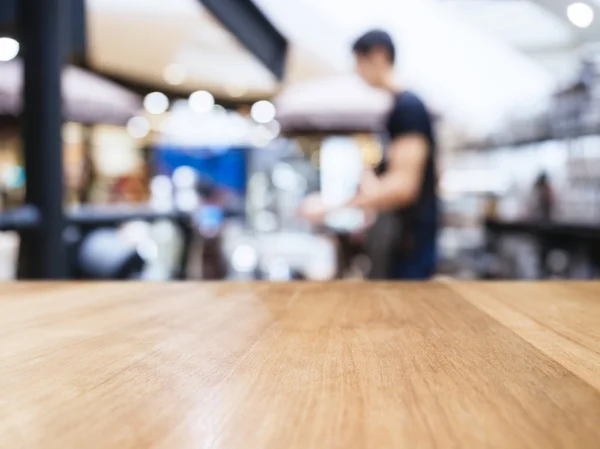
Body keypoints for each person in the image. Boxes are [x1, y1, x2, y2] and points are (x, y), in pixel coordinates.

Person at [300, 30, 438, 279]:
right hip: (402, 241)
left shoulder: (408, 108)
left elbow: (403, 187)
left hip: (408, 244)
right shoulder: (399, 109)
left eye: (358, 63)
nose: (358, 72)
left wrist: (331, 206)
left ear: (378, 56)